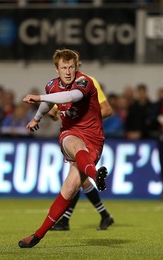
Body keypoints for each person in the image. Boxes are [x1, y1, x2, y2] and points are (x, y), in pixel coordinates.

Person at [18, 48, 108, 248]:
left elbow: (71, 97)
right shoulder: (52, 86)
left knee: (69, 188)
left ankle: (39, 234)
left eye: (71, 67)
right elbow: (49, 103)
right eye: (64, 68)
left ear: (76, 68)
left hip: (94, 140)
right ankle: (96, 175)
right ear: (56, 69)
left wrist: (39, 97)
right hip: (71, 134)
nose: (68, 72)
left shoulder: (84, 82)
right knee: (75, 144)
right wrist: (36, 118)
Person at [48, 75, 114, 231]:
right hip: (73, 135)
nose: (69, 71)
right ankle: (101, 216)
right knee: (78, 180)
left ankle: (100, 216)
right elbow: (54, 111)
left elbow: (107, 110)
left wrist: (84, 119)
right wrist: (53, 112)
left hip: (88, 137)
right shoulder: (64, 85)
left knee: (79, 178)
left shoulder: (89, 81)